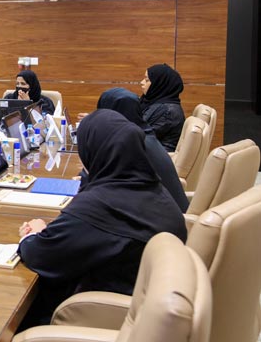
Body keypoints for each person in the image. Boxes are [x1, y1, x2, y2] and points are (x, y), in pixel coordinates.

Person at [16, 109, 186, 328]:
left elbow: (40, 254)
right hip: (144, 307)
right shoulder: (151, 188)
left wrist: (33, 235)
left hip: (102, 316)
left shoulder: (98, 206)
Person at [95, 87, 188, 212]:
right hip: (162, 213)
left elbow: (111, 187)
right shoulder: (143, 135)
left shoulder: (132, 144)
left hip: (160, 218)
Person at [139, 63, 185, 152]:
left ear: (159, 84)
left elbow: (140, 137)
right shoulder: (154, 102)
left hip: (154, 157)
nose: (142, 82)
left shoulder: (167, 112)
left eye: (147, 80)